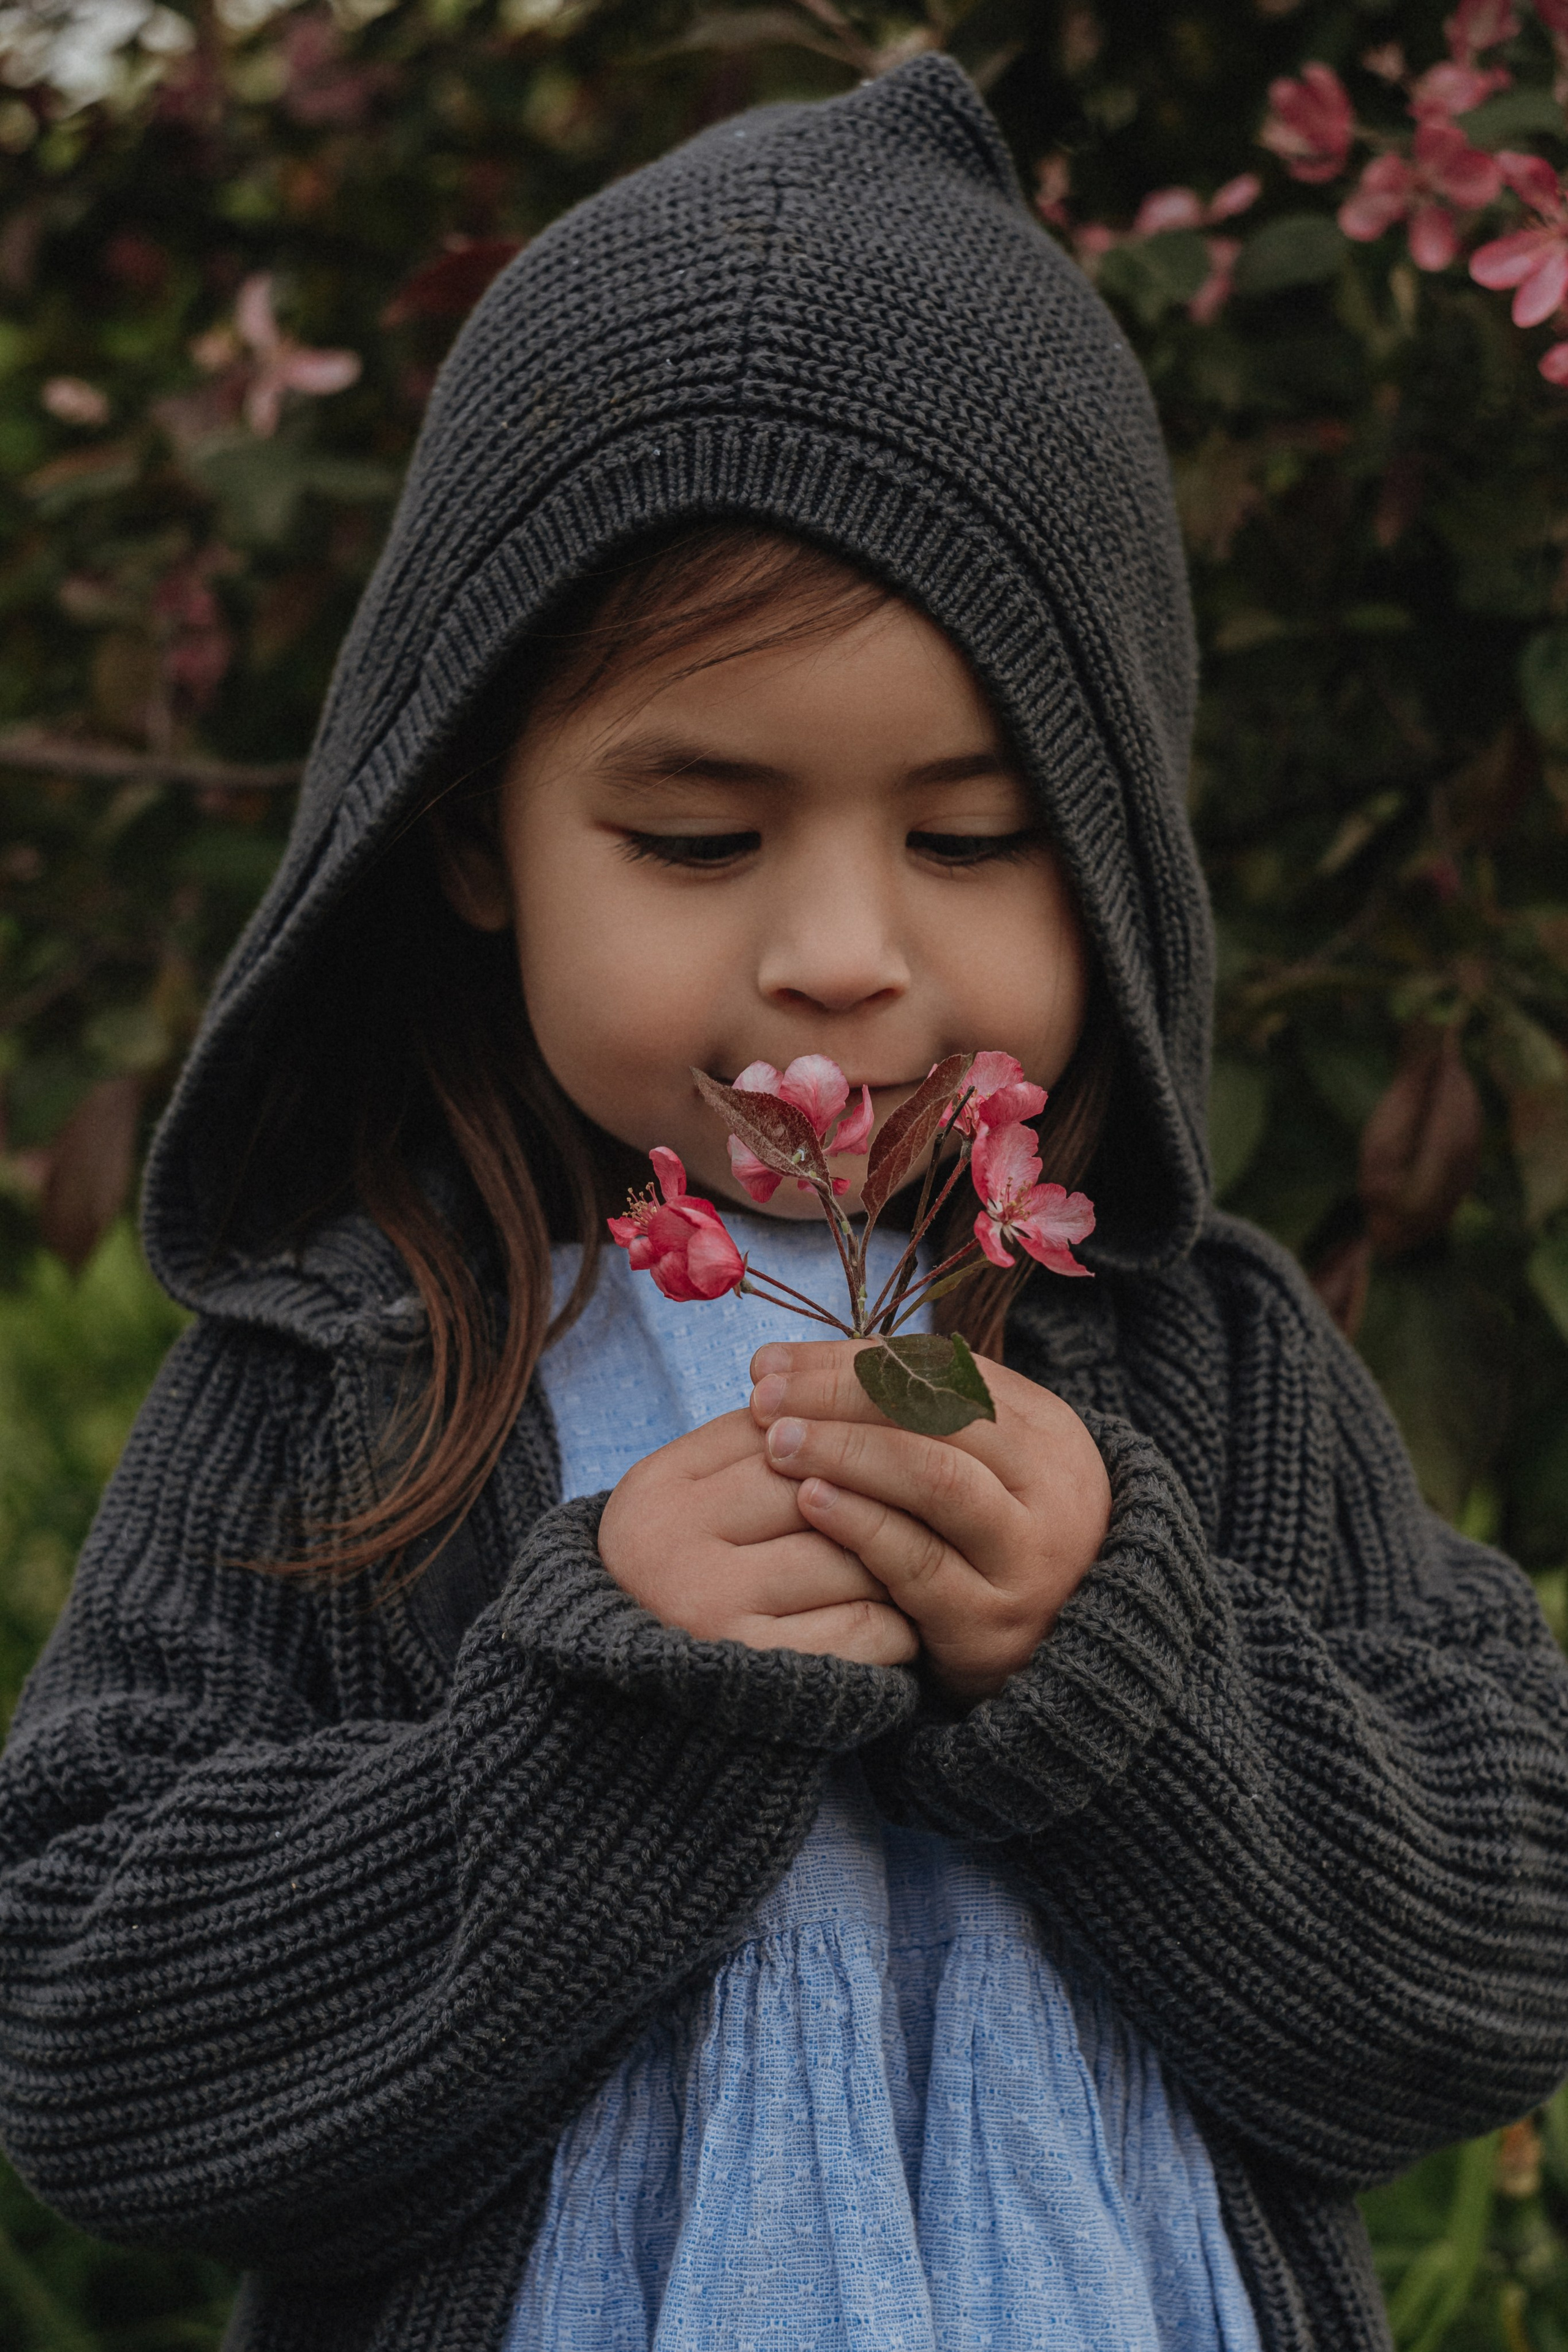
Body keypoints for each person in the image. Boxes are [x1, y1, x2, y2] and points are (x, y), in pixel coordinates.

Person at [1, 51, 1566, 2352]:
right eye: (699, 838)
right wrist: (598, 1732)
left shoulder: (1202, 1365)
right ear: (468, 835)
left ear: (1116, 858)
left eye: (968, 835)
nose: (841, 952)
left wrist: (1122, 1661)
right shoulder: (359, 1379)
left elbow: (1494, 1945)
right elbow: (95, 2044)